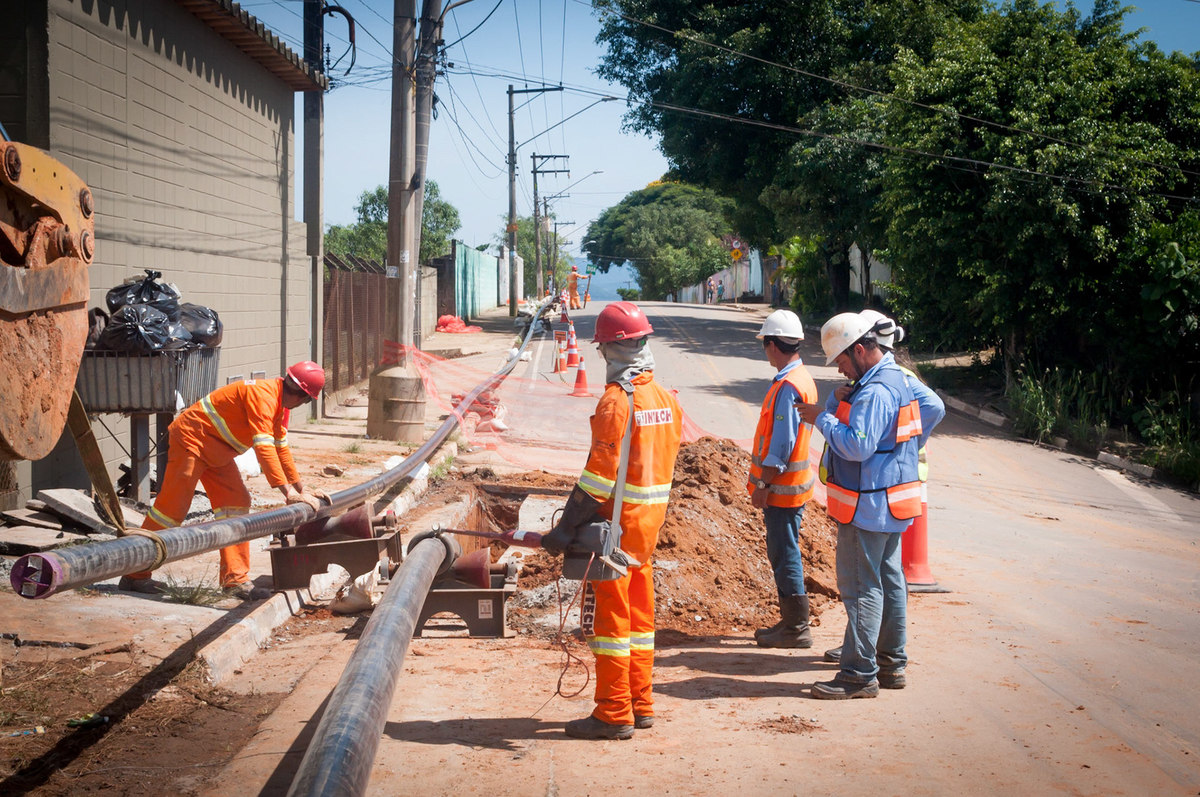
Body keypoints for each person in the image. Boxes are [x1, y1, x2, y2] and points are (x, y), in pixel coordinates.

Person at [541, 301, 683, 739]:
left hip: (614, 536)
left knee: (613, 629)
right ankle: (642, 704)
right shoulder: (665, 399)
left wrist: (564, 529)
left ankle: (613, 713)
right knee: (640, 626)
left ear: (611, 350)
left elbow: (597, 481)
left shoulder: (616, 401)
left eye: (602, 349)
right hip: (646, 533)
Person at [796, 313, 943, 699]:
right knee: (890, 580)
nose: (841, 370)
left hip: (868, 505)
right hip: (891, 503)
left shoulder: (876, 391)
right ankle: (891, 663)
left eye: (842, 362)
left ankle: (859, 674)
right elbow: (929, 413)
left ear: (860, 349)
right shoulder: (896, 380)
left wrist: (822, 419)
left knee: (862, 586)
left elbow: (857, 446)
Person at [118, 362, 329, 600]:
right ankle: (134, 575)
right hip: (193, 441)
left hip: (217, 451)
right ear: (303, 396)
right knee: (170, 510)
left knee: (236, 501)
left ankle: (235, 580)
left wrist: (302, 489)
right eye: (307, 400)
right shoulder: (264, 396)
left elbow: (281, 449)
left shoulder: (279, 404)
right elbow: (265, 449)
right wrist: (288, 493)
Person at [748, 309, 819, 648]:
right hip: (793, 487)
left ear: (774, 345)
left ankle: (796, 628)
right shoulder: (802, 377)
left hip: (781, 489)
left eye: (765, 344)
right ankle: (791, 623)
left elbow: (782, 443)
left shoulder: (788, 386)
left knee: (784, 552)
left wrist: (763, 485)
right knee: (784, 550)